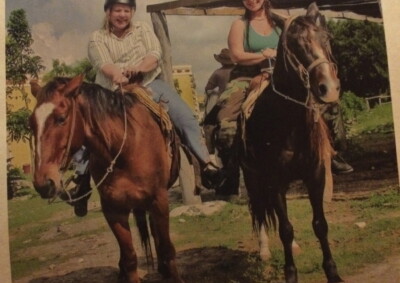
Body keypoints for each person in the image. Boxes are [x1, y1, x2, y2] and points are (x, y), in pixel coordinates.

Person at [66, 0, 223, 215]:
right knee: (87, 128)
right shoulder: (97, 37)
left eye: (126, 10)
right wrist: (118, 75)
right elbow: (102, 63)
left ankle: (206, 164)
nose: (122, 15)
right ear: (108, 12)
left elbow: (154, 54)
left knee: (185, 116)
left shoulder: (143, 29)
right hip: (110, 89)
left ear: (132, 12)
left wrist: (140, 68)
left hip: (148, 83)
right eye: (117, 10)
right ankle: (81, 181)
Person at [204, 0, 352, 196]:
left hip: (282, 74)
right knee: (226, 121)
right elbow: (237, 56)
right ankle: (230, 168)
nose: (252, 0)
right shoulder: (240, 25)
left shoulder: (284, 20)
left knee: (327, 105)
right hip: (246, 77)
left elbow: (300, 42)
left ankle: (332, 153)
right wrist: (265, 55)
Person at [204, 48, 235, 117]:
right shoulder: (240, 70)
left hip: (223, 100)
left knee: (212, 95)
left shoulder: (217, 73)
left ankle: (208, 118)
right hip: (239, 97)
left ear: (221, 61)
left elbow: (208, 88)